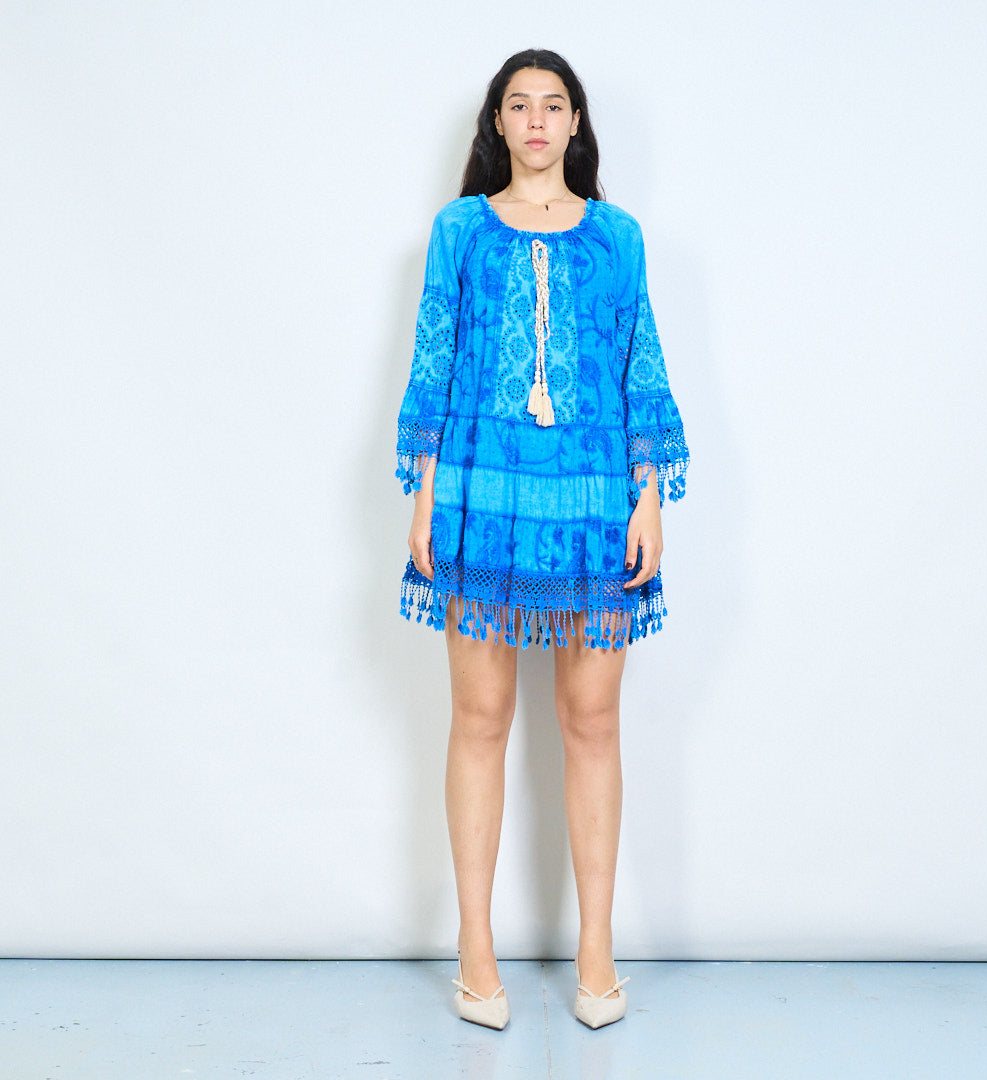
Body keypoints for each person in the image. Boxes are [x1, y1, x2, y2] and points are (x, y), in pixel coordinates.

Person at [394, 48, 689, 1030]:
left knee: (592, 720)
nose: (534, 120)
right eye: (517, 104)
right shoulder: (459, 231)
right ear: (497, 123)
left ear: (574, 123)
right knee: (479, 717)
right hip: (479, 490)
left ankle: (597, 948)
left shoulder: (617, 236)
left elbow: (639, 364)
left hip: (596, 495)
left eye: (552, 104)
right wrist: (423, 496)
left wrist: (649, 498)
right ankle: (475, 949)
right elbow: (434, 358)